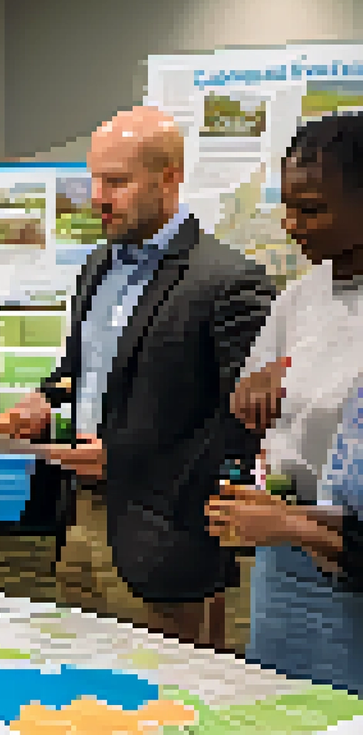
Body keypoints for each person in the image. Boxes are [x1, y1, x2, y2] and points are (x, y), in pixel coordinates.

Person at [0, 106, 275, 648]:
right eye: (93, 178)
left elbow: (245, 425)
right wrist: (40, 404)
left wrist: (125, 458)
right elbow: (77, 368)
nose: (96, 197)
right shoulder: (98, 266)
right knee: (84, 686)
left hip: (168, 532)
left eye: (115, 181)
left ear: (169, 178)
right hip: (82, 519)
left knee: (170, 704)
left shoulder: (230, 281)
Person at [210, 111, 363, 690]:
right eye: (286, 204)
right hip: (285, 549)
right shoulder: (299, 299)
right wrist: (251, 390)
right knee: (281, 702)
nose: (290, 223)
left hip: (350, 555)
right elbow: (259, 397)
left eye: (312, 208)